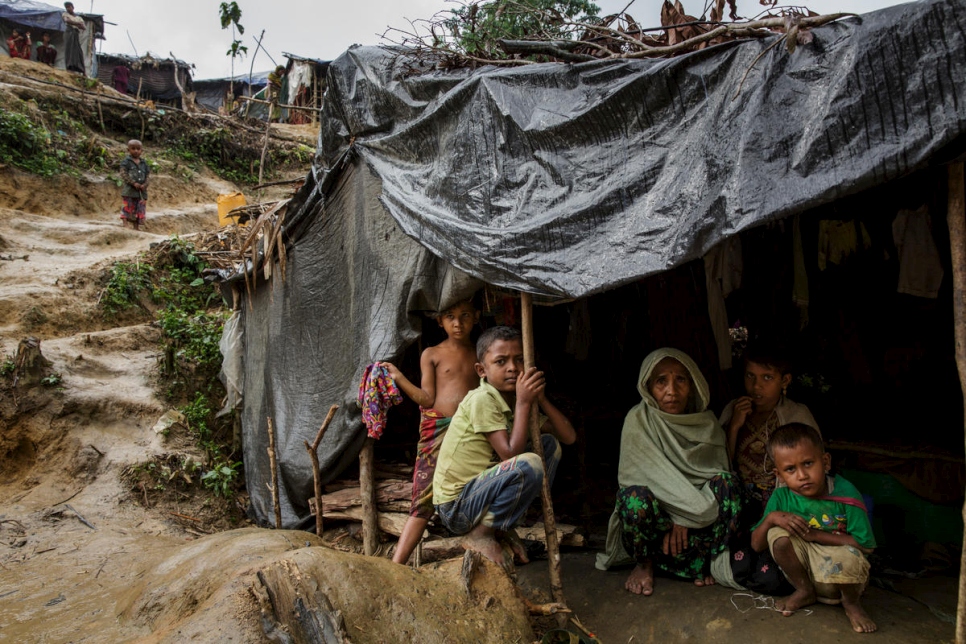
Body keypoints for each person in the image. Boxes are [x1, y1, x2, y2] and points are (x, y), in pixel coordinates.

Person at [596, 348, 741, 596]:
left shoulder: (707, 424)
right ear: (648, 386)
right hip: (657, 533)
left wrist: (687, 517)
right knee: (633, 499)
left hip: (696, 533)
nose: (671, 391)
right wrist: (679, 513)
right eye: (661, 381)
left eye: (680, 380)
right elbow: (633, 478)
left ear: (693, 384)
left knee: (729, 484)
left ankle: (710, 563)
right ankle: (644, 565)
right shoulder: (638, 419)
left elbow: (715, 475)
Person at [433, 326, 576, 570]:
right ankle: (481, 534)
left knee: (550, 446)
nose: (513, 367)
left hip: (480, 495)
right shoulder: (482, 398)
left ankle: (501, 526)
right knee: (528, 463)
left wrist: (539, 400)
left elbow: (569, 436)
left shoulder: (513, 401)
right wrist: (523, 402)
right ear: (482, 370)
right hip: (457, 507)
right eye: (501, 361)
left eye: (519, 359)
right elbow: (510, 454)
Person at [751, 423, 876, 633]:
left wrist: (816, 535)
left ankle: (851, 604)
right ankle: (804, 590)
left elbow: (866, 545)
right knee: (777, 534)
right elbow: (756, 545)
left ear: (825, 462)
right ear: (779, 475)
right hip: (806, 570)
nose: (802, 475)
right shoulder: (782, 496)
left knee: (851, 557)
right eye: (790, 469)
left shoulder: (845, 493)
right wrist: (772, 517)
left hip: (841, 578)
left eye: (808, 463)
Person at [382, 300, 481, 565]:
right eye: (450, 316)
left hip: (472, 432)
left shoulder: (481, 353)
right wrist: (398, 376)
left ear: (477, 317)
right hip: (437, 430)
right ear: (439, 321)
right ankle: (396, 564)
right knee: (423, 496)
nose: (457, 323)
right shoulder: (432, 354)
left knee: (478, 484)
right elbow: (426, 399)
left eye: (465, 316)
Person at [720, 342, 819, 516]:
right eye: (750, 375)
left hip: (783, 498)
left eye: (767, 377)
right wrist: (734, 426)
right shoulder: (733, 410)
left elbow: (812, 466)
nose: (756, 385)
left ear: (785, 380)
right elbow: (720, 464)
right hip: (737, 498)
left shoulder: (796, 414)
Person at [119, 140, 149, 231]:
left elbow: (148, 176)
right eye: (133, 149)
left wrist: (145, 184)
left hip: (141, 192)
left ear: (141, 150)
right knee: (127, 206)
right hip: (129, 190)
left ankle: (136, 226)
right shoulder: (126, 162)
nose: (136, 151)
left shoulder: (144, 163)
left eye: (138, 149)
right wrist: (133, 183)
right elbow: (124, 174)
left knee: (139, 208)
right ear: (128, 150)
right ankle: (125, 223)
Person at [61, 2, 86, 74]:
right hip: (69, 32)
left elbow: (83, 27)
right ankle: (69, 67)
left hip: (75, 34)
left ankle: (80, 69)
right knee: (69, 50)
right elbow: (67, 20)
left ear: (73, 7)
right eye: (67, 7)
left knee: (78, 52)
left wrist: (74, 23)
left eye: (69, 7)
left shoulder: (79, 18)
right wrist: (78, 24)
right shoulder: (65, 14)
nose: (68, 8)